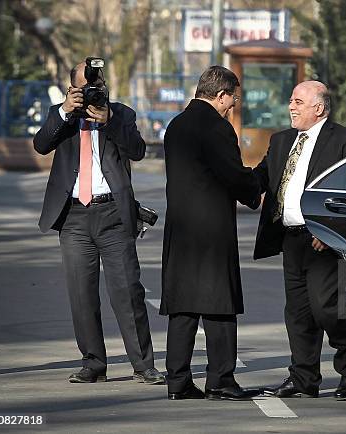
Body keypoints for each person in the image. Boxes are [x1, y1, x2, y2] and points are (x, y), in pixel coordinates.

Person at [34, 60, 164, 385]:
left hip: (113, 215)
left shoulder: (121, 114)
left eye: (97, 85)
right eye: (84, 87)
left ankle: (143, 365)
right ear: (72, 89)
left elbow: (137, 151)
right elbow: (41, 144)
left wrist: (109, 123)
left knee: (127, 291)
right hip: (74, 217)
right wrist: (65, 110)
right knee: (82, 293)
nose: (93, 91)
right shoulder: (60, 115)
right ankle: (93, 363)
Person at [255, 81, 346, 399]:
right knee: (298, 313)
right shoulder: (281, 141)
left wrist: (330, 231)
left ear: (318, 108)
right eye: (291, 100)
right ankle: (303, 379)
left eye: (298, 101)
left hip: (323, 242)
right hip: (290, 239)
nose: (291, 106)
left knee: (327, 309)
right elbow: (260, 176)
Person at [160, 66, 261, 401]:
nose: (232, 105)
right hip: (211, 232)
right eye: (232, 98)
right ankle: (220, 379)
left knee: (183, 308)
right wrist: (257, 184)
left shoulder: (176, 125)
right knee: (220, 305)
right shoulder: (216, 127)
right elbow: (232, 175)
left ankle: (177, 382)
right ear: (221, 95)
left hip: (180, 230)